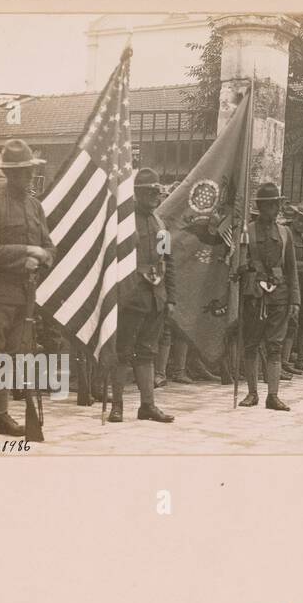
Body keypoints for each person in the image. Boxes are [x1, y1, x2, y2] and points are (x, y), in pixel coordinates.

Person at [0, 139, 55, 439]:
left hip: (24, 295)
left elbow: (49, 248)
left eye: (28, 171)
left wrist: (40, 260)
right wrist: (27, 253)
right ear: (9, 173)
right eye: (19, 172)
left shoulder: (35, 207)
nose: (26, 177)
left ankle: (0, 416)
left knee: (9, 356)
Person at [111, 168, 175, 423]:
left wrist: (170, 297)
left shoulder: (161, 223)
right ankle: (117, 405)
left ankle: (147, 405)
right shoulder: (123, 223)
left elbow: (168, 262)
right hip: (130, 295)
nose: (154, 196)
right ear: (136, 193)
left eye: (156, 192)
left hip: (155, 297)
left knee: (148, 351)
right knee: (123, 352)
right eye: (148, 192)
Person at [238, 183, 300, 411]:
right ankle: (252, 393)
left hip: (280, 296)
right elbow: (237, 263)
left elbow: (291, 269)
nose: (273, 209)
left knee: (275, 346)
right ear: (260, 206)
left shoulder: (285, 233)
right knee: (251, 345)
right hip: (254, 295)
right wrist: (243, 268)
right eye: (269, 205)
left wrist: (295, 300)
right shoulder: (247, 231)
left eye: (276, 204)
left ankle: (272, 396)